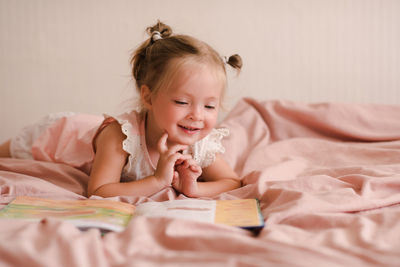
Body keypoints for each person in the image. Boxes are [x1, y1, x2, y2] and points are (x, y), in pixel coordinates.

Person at [0, 21, 242, 198]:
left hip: (81, 128)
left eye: (210, 106)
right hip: (58, 135)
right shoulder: (120, 136)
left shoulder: (200, 142)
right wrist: (157, 180)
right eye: (181, 102)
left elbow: (231, 182)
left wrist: (194, 188)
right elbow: (100, 190)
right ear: (148, 97)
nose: (197, 115)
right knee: (9, 151)